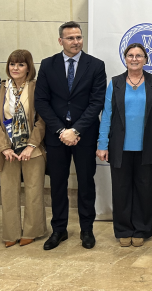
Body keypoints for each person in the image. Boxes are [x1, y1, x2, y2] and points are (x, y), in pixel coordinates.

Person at [35, 21, 106, 250]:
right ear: (60, 41)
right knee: (57, 184)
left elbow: (96, 103)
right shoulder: (48, 64)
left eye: (79, 37)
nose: (76, 42)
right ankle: (59, 230)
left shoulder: (95, 65)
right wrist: (61, 131)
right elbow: (41, 102)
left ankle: (87, 230)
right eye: (70, 38)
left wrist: (76, 130)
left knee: (86, 183)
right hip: (57, 136)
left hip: (84, 135)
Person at [97, 43, 152, 247]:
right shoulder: (115, 83)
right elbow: (107, 115)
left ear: (145, 59)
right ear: (125, 58)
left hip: (148, 146)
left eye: (139, 55)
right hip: (120, 147)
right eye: (131, 55)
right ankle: (124, 230)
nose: (134, 59)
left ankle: (142, 229)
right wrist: (102, 143)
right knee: (121, 190)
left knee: (146, 190)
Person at [0, 50, 47, 247]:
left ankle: (33, 231)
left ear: (29, 67)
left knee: (34, 191)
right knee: (8, 192)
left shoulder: (37, 88)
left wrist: (31, 146)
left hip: (32, 149)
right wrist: (4, 148)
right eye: (12, 64)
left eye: (20, 64)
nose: (15, 68)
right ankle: (11, 233)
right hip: (7, 150)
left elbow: (42, 121)